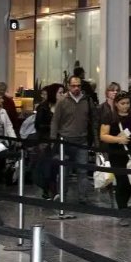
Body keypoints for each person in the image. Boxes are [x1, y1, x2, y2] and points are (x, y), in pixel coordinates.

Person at [50, 75, 97, 203]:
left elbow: (93, 121)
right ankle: (62, 196)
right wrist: (53, 140)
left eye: (78, 85)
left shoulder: (87, 100)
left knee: (82, 171)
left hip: (82, 141)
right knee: (64, 171)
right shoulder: (62, 101)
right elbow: (55, 121)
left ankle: (83, 197)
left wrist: (96, 142)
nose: (76, 88)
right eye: (73, 86)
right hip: (65, 141)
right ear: (69, 86)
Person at [98, 91, 131, 219]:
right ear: (116, 104)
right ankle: (122, 209)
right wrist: (118, 140)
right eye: (122, 103)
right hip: (117, 153)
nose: (125, 106)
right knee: (122, 180)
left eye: (127, 103)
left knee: (130, 182)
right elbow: (103, 136)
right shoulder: (110, 117)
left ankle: (125, 204)